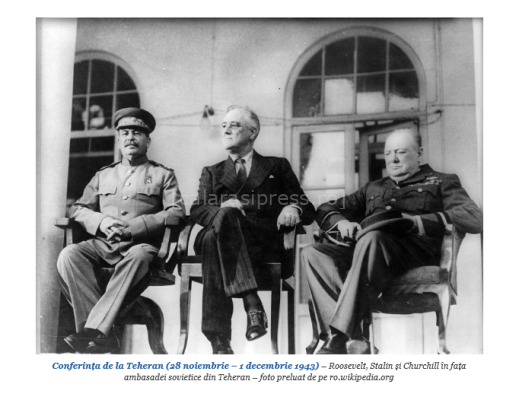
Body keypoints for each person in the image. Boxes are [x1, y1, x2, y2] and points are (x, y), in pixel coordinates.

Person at [301, 128, 483, 354]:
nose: (393, 159)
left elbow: (474, 217)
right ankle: (356, 338)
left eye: (401, 152)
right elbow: (325, 208)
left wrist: (417, 222)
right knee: (313, 252)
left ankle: (338, 337)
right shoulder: (374, 188)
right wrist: (342, 223)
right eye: (388, 153)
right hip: (370, 254)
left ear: (419, 153)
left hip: (413, 254)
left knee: (372, 237)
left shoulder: (442, 181)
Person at [57, 107, 186, 353]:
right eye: (125, 133)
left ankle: (92, 332)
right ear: (118, 139)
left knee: (137, 255)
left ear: (147, 141)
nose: (130, 138)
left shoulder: (163, 175)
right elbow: (78, 209)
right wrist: (102, 222)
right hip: (103, 245)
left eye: (137, 133)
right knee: (69, 254)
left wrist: (134, 228)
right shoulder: (103, 175)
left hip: (140, 248)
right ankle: (98, 333)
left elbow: (176, 212)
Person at [191, 105, 315, 354]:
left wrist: (292, 207)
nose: (226, 130)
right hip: (225, 237)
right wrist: (224, 210)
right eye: (223, 125)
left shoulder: (276, 166)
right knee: (224, 219)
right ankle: (252, 303)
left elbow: (307, 207)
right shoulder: (212, 172)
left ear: (253, 132)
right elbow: (197, 209)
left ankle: (219, 340)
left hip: (261, 241)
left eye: (234, 125)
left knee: (213, 239)